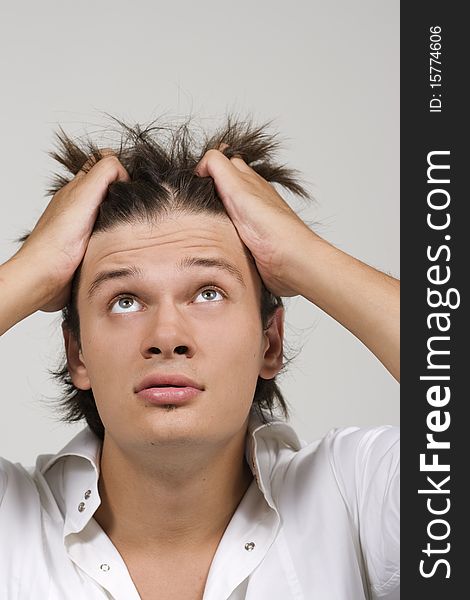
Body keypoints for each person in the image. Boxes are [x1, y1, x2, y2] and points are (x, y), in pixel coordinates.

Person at [0, 115, 399, 599]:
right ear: (77, 354)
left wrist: (302, 255)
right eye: (125, 300)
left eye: (208, 293)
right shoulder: (12, 521)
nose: (167, 337)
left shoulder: (353, 494)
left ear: (269, 343)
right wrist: (31, 270)